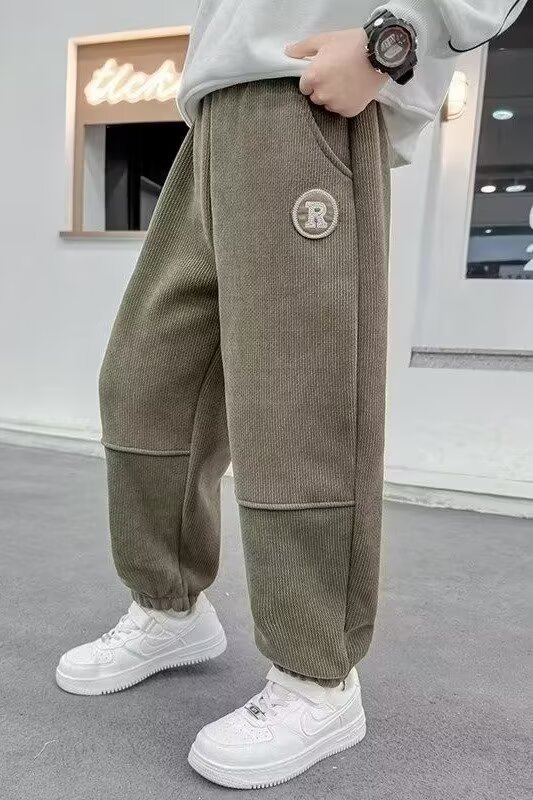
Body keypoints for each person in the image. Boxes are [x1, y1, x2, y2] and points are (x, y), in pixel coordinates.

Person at [56, 0, 526, 789]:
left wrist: (393, 38)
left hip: (303, 98)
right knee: (144, 383)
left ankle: (317, 679)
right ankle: (170, 608)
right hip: (213, 116)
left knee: (297, 405)